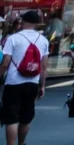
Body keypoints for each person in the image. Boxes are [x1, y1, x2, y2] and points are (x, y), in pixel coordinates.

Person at [0, 11, 49, 145]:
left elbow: (5, 62)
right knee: (26, 117)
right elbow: (44, 66)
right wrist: (42, 85)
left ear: (23, 22)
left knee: (11, 118)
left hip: (13, 82)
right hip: (32, 83)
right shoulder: (43, 40)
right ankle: (22, 143)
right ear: (37, 23)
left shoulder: (13, 38)